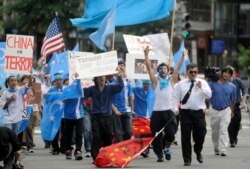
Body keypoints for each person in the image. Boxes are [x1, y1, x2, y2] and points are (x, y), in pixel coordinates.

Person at [143, 46, 185, 162]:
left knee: (171, 135)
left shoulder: (172, 81)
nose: (163, 70)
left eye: (165, 68)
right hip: (157, 112)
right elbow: (148, 68)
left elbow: (178, 68)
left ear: (168, 71)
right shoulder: (155, 81)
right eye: (160, 68)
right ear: (158, 71)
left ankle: (166, 148)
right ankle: (159, 154)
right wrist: (146, 55)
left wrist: (182, 56)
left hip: (169, 112)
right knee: (156, 135)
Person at [83, 65, 124, 161]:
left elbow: (120, 87)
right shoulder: (92, 89)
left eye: (104, 76)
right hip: (96, 117)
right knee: (96, 137)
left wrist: (119, 76)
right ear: (96, 79)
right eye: (100, 77)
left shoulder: (109, 88)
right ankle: (95, 157)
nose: (103, 78)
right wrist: (76, 79)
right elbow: (82, 93)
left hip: (107, 117)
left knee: (108, 137)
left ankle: (107, 155)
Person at [174, 63, 212, 166]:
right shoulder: (181, 84)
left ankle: (197, 150)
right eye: (191, 72)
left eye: (195, 72)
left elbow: (209, 95)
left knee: (201, 132)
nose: (193, 74)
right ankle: (187, 159)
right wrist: (175, 109)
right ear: (187, 72)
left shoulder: (202, 82)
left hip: (199, 112)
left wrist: (201, 88)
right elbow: (176, 97)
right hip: (185, 112)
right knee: (185, 137)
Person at [209, 66, 236, 156]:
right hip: (214, 110)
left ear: (231, 76)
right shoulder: (212, 83)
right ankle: (216, 146)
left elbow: (232, 101)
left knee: (223, 129)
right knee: (215, 131)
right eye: (225, 72)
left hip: (226, 110)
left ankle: (223, 149)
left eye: (229, 73)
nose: (227, 74)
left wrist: (232, 111)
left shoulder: (232, 87)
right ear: (222, 73)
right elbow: (206, 93)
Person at [112, 60, 134, 142]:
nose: (120, 72)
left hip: (127, 111)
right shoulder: (112, 85)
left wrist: (132, 110)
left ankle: (125, 147)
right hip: (117, 112)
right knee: (118, 134)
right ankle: (121, 151)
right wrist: (115, 110)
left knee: (129, 132)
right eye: (119, 71)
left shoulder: (128, 85)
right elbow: (109, 100)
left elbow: (131, 97)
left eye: (122, 70)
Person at [64, 80, 84, 160]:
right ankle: (68, 150)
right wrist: (66, 98)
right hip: (68, 115)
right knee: (68, 134)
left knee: (79, 133)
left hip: (79, 115)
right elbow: (62, 100)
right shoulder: (66, 90)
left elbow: (84, 99)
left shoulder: (81, 90)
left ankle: (78, 151)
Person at [228, 66, 247, 147]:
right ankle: (232, 140)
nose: (228, 73)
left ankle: (234, 136)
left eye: (230, 72)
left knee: (237, 122)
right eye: (227, 72)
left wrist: (243, 100)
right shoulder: (224, 82)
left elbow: (244, 89)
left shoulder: (237, 80)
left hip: (236, 105)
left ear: (234, 73)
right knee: (230, 124)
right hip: (227, 106)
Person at [46, 73, 64, 155]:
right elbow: (47, 100)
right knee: (55, 131)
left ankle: (63, 148)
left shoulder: (66, 89)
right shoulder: (51, 90)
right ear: (55, 82)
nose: (59, 82)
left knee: (64, 131)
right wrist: (45, 96)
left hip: (64, 114)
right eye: (57, 80)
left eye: (60, 80)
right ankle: (55, 148)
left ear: (62, 80)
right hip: (54, 114)